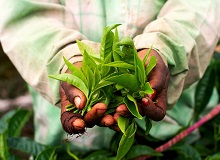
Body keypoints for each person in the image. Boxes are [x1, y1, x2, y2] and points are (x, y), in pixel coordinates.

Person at [0, 0, 219, 154]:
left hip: (173, 128)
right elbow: (22, 16)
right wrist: (65, 60)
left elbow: (201, 5)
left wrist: (166, 49)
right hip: (62, 137)